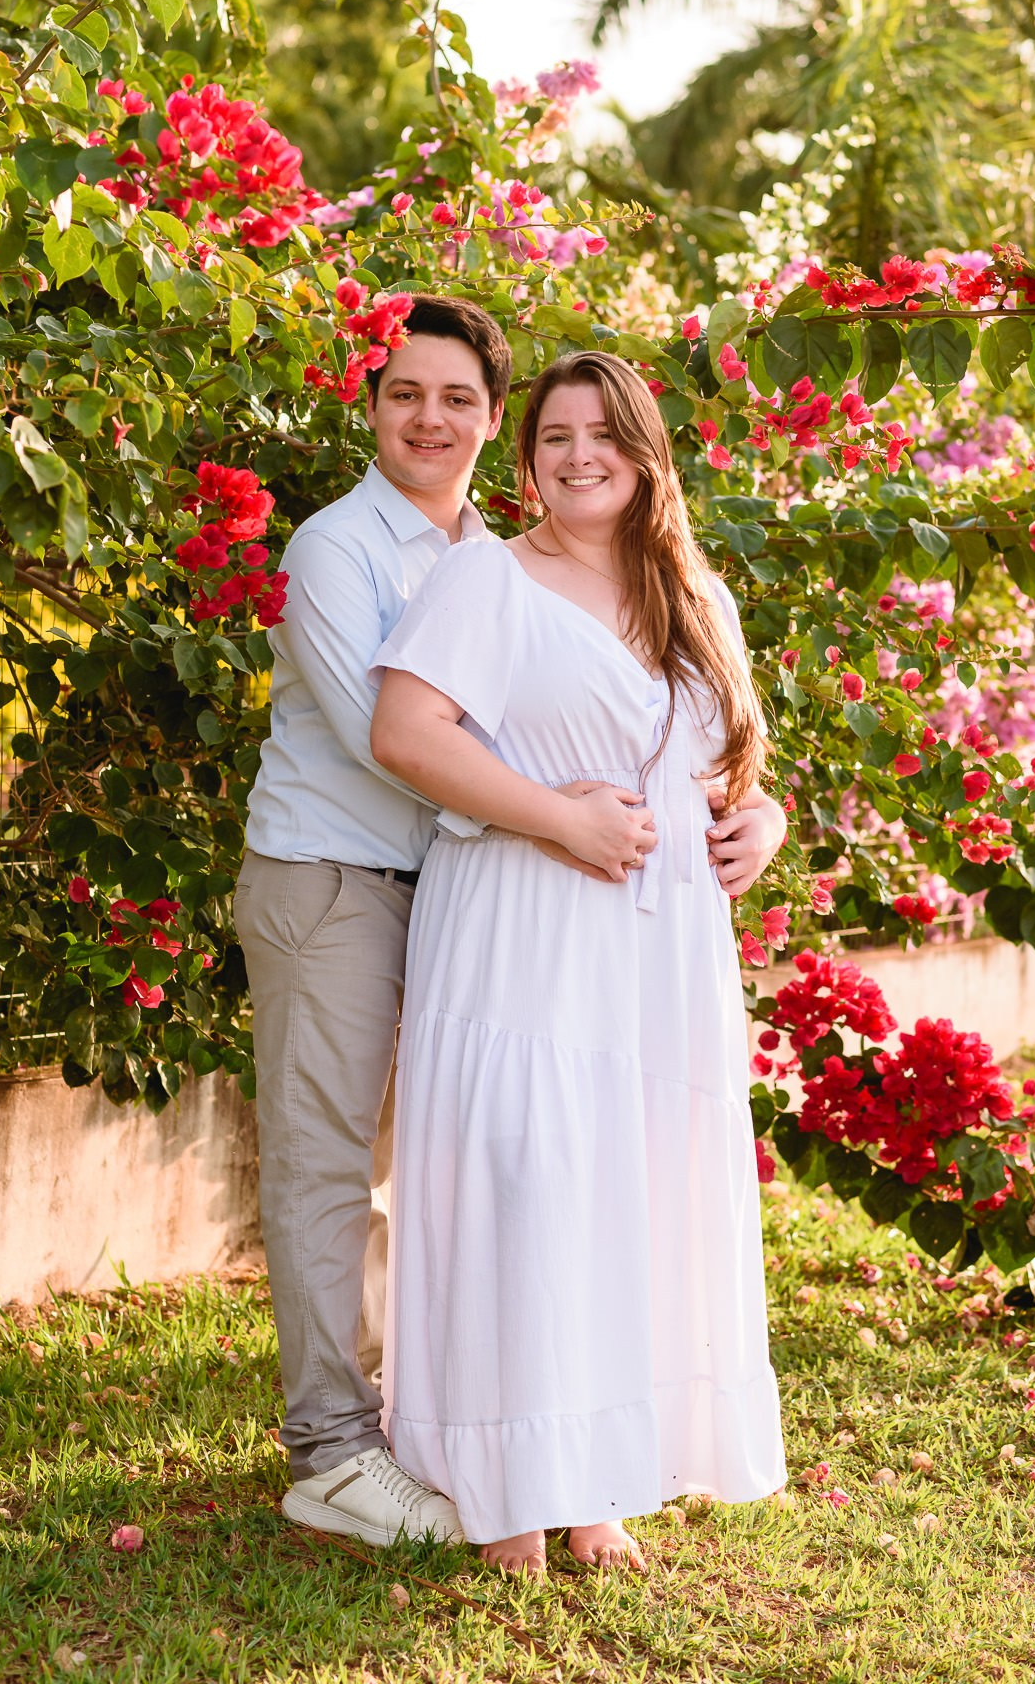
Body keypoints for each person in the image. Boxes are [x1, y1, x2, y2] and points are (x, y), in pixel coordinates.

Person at [233, 298, 650, 1545]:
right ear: (370, 406)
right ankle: (331, 1452)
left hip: (467, 893)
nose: (429, 418)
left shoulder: (503, 556)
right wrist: (556, 817)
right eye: (404, 393)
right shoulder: (332, 548)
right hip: (334, 879)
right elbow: (395, 743)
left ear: (491, 418)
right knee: (328, 1164)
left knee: (470, 1156)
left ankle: (441, 1419)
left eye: (456, 397)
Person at [370, 349, 789, 1575]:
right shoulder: (487, 578)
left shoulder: (692, 596)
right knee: (525, 1178)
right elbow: (405, 732)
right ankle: (507, 1492)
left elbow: (728, 768)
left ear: (643, 450)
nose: (578, 454)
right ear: (527, 457)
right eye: (554, 435)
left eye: (602, 432)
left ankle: (596, 1484)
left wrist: (761, 821)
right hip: (524, 928)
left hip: (656, 954)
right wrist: (558, 818)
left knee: (620, 1191)